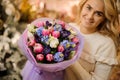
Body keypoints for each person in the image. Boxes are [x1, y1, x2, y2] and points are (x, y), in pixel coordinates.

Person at [64, 0, 119, 80]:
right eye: (88, 8)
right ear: (82, 6)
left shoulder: (106, 45)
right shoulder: (70, 28)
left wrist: (72, 61)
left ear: (104, 18)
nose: (90, 16)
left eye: (98, 14)